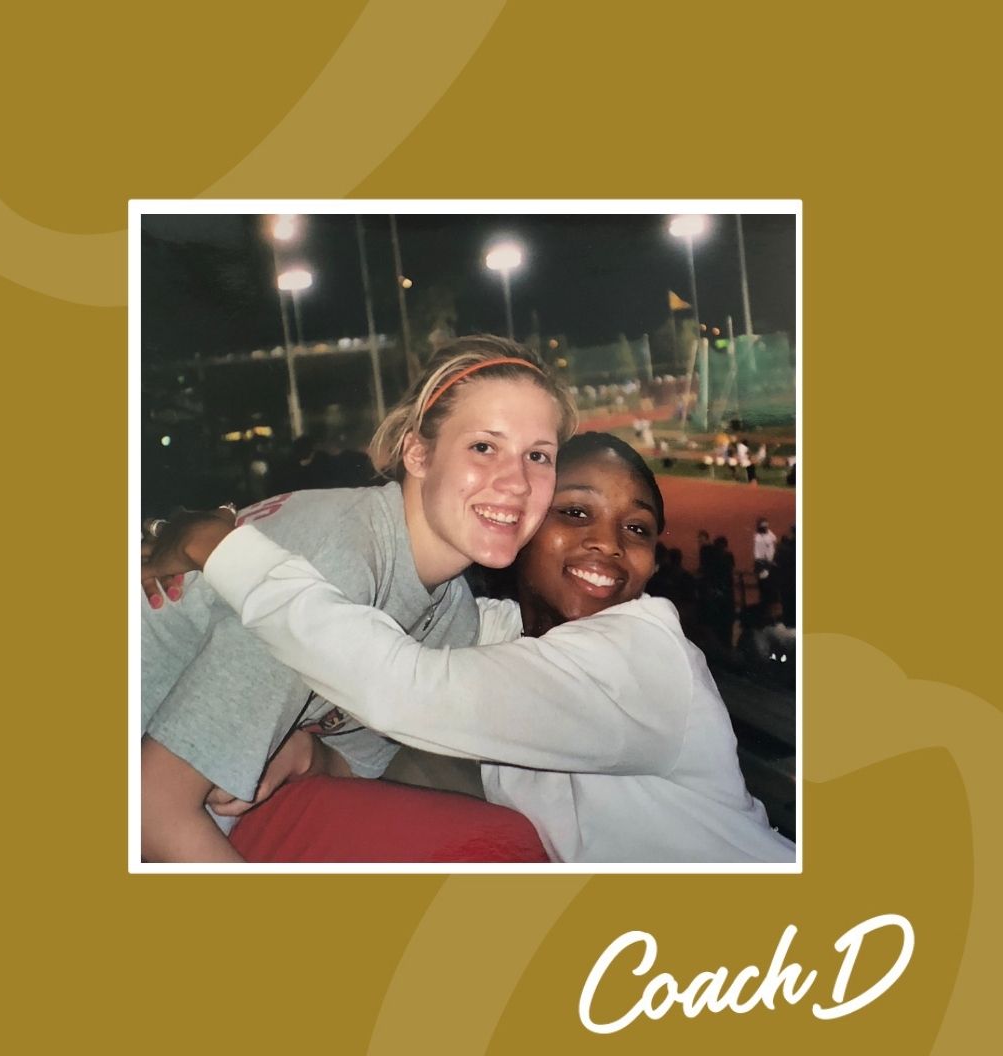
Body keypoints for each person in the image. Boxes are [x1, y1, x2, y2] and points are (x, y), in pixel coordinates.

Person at [153, 433, 794, 863]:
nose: (609, 543)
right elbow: (391, 645)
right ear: (522, 524)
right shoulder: (503, 637)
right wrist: (314, 758)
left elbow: (400, 687)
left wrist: (218, 547)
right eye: (575, 513)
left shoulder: (640, 654)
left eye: (638, 528)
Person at [140, 335, 577, 862]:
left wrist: (307, 754)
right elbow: (151, 809)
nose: (517, 483)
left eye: (538, 456)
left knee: (499, 843)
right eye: (484, 447)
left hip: (202, 810)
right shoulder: (338, 558)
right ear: (418, 453)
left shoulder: (451, 613)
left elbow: (353, 761)